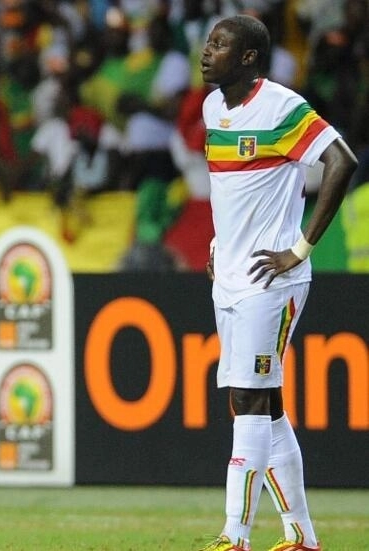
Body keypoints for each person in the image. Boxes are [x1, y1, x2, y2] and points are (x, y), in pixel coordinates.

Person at [197, 15, 358, 551]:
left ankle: (234, 536)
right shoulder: (212, 108)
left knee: (247, 397)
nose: (206, 52)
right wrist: (220, 244)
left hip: (273, 279)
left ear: (247, 58)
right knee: (268, 404)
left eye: (219, 45)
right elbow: (231, 193)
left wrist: (300, 248)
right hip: (231, 278)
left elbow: (341, 161)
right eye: (208, 42)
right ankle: (302, 538)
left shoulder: (283, 108)